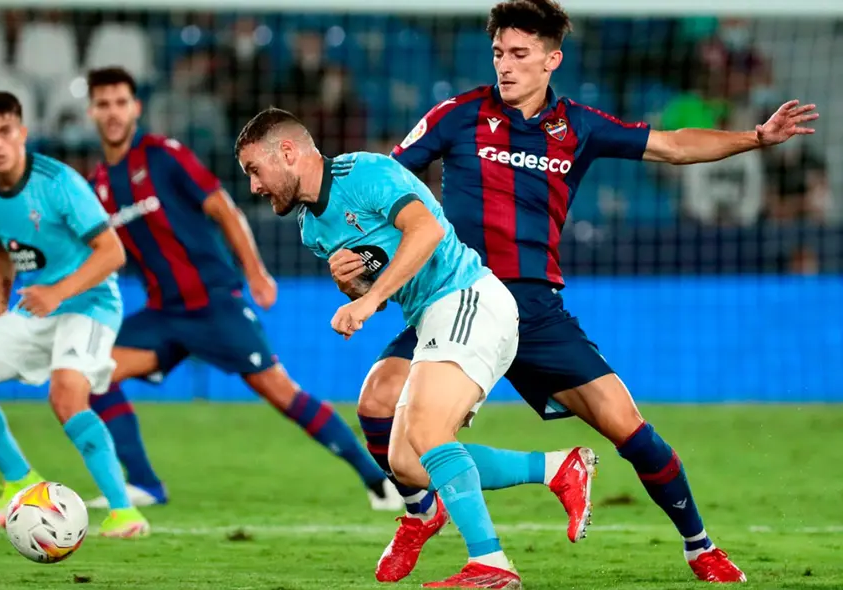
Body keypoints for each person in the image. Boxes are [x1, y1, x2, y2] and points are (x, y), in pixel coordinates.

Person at [336, 0, 818, 584]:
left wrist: (756, 137)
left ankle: (700, 545)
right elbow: (387, 185)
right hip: (455, 298)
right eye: (498, 53)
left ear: (552, 60)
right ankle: (421, 513)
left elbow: (672, 145)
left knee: (627, 425)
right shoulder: (457, 115)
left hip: (534, 308)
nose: (505, 66)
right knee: (377, 401)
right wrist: (365, 259)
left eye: (519, 54)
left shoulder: (578, 127)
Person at [235, 107, 596, 589]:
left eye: (254, 170)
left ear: (287, 152)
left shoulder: (365, 172)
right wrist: (356, 288)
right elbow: (384, 281)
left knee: (427, 430)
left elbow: (426, 230)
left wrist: (367, 302)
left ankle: (491, 563)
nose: (254, 186)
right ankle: (557, 468)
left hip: (468, 297)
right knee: (407, 461)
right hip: (430, 317)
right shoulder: (312, 230)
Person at [81, 67, 401, 511]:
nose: (113, 112)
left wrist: (255, 273)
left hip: (213, 304)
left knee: (281, 393)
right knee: (92, 373)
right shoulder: (97, 185)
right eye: (103, 104)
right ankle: (145, 485)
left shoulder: (163, 156)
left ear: (135, 108)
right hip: (164, 313)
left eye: (120, 102)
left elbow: (224, 209)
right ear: (92, 112)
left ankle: (377, 480)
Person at [0, 91, 149, 538]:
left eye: (5, 132)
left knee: (66, 395)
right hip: (35, 306)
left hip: (91, 303)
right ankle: (20, 481)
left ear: (23, 133)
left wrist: (57, 293)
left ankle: (124, 512)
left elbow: (112, 253)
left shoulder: (59, 182)